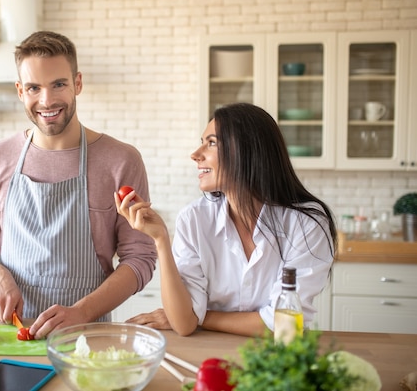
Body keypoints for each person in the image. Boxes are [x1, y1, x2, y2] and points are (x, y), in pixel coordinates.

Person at [0, 31, 156, 339]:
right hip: (13, 335)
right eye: (34, 87)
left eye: (58, 84)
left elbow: (140, 258)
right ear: (21, 91)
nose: (46, 101)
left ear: (77, 83)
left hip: (88, 337)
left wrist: (83, 312)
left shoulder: (121, 160)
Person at [115, 103, 336, 337]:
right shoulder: (194, 219)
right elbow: (183, 324)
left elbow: (285, 325)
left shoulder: (307, 224)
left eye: (211, 143)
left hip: (278, 360)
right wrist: (160, 239)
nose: (195, 154)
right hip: (209, 352)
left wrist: (201, 316)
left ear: (246, 150)